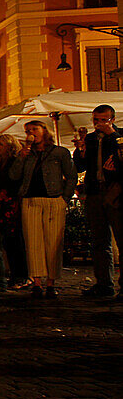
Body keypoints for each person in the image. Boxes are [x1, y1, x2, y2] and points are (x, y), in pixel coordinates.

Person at [9, 120, 77, 299]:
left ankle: (51, 282)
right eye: (28, 130)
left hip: (54, 199)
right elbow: (14, 176)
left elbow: (71, 176)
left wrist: (65, 198)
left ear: (44, 131)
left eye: (34, 129)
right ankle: (37, 282)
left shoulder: (59, 152)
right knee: (33, 242)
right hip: (30, 200)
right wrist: (21, 157)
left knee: (53, 242)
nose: (31, 133)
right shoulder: (26, 154)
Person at [72, 104, 123, 298]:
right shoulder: (91, 139)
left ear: (112, 120)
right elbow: (80, 166)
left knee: (120, 238)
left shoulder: (119, 137)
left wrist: (111, 135)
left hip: (115, 192)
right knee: (99, 241)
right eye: (96, 120)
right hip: (94, 192)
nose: (99, 124)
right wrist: (80, 150)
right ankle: (104, 284)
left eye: (103, 120)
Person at [0, 135, 28, 288]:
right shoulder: (0, 163)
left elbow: (14, 179)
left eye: (0, 144)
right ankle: (14, 273)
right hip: (3, 204)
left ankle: (21, 275)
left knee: (16, 240)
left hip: (12, 202)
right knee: (8, 241)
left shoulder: (15, 161)